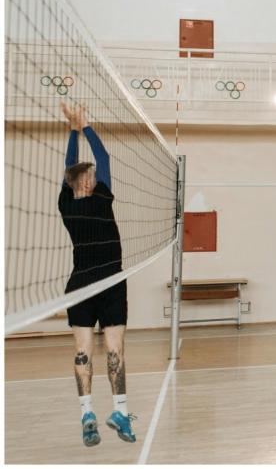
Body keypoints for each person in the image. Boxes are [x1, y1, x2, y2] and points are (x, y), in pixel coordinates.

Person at [58, 103, 135, 446]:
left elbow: (69, 167)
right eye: (90, 175)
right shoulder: (102, 197)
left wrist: (73, 131)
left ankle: (93, 413)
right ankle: (111, 411)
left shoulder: (66, 204)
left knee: (86, 351)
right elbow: (102, 155)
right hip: (109, 284)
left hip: (85, 285)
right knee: (110, 350)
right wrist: (84, 126)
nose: (95, 175)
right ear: (87, 181)